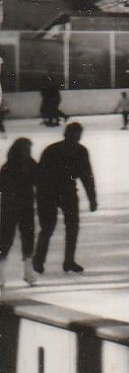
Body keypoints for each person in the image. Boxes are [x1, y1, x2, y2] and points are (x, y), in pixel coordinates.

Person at [33, 123, 95, 274]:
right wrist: (92, 198)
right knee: (67, 228)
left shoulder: (53, 149)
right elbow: (86, 176)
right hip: (59, 192)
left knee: (52, 228)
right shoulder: (79, 151)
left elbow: (86, 176)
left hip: (54, 192)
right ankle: (63, 261)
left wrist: (92, 198)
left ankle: (44, 260)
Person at [0, 139, 38, 288]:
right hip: (12, 208)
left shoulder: (14, 166)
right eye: (26, 149)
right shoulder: (11, 167)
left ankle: (28, 271)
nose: (28, 152)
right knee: (6, 239)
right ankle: (6, 272)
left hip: (22, 207)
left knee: (26, 238)